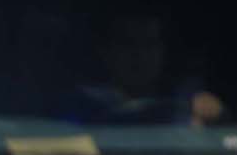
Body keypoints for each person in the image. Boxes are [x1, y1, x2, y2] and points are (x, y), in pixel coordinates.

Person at [67, 9, 223, 126]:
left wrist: (214, 114)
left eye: (149, 44)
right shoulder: (79, 104)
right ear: (106, 51)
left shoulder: (186, 100)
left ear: (163, 51)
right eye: (128, 43)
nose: (139, 54)